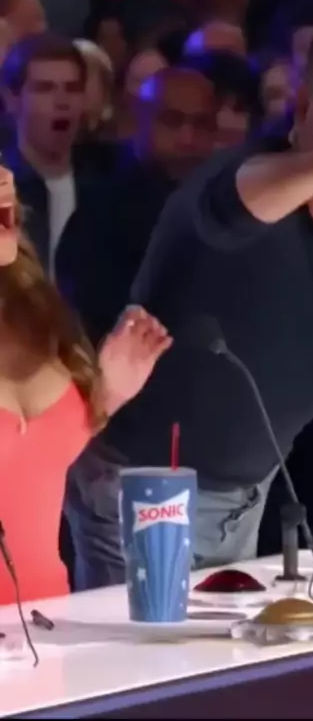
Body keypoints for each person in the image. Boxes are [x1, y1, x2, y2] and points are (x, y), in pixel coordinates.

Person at [110, 0, 313, 593]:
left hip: (247, 494)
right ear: (302, 109)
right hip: (136, 487)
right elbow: (226, 216)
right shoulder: (236, 179)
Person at [63, 67, 218, 590]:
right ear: (137, 120)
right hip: (119, 452)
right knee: (123, 618)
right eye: (173, 121)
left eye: (202, 124)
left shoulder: (222, 209)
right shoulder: (100, 216)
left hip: (208, 457)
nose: (189, 138)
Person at [0, 165, 172, 604]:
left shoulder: (32, 302)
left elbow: (31, 460)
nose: (4, 178)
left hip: (48, 619)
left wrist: (107, 393)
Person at [0, 32, 122, 282]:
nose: (62, 101)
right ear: (12, 99)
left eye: (72, 89)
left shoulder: (110, 187)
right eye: (45, 89)